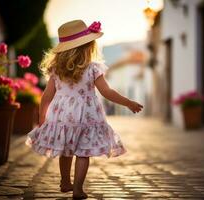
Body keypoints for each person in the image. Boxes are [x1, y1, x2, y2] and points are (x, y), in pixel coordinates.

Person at [25, 20, 143, 199]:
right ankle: (78, 189)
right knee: (83, 152)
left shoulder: (56, 69)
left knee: (65, 149)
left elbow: (46, 96)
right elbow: (107, 92)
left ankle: (65, 181)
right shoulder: (93, 68)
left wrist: (43, 117)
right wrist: (128, 102)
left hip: (62, 116)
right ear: (89, 46)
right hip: (87, 116)